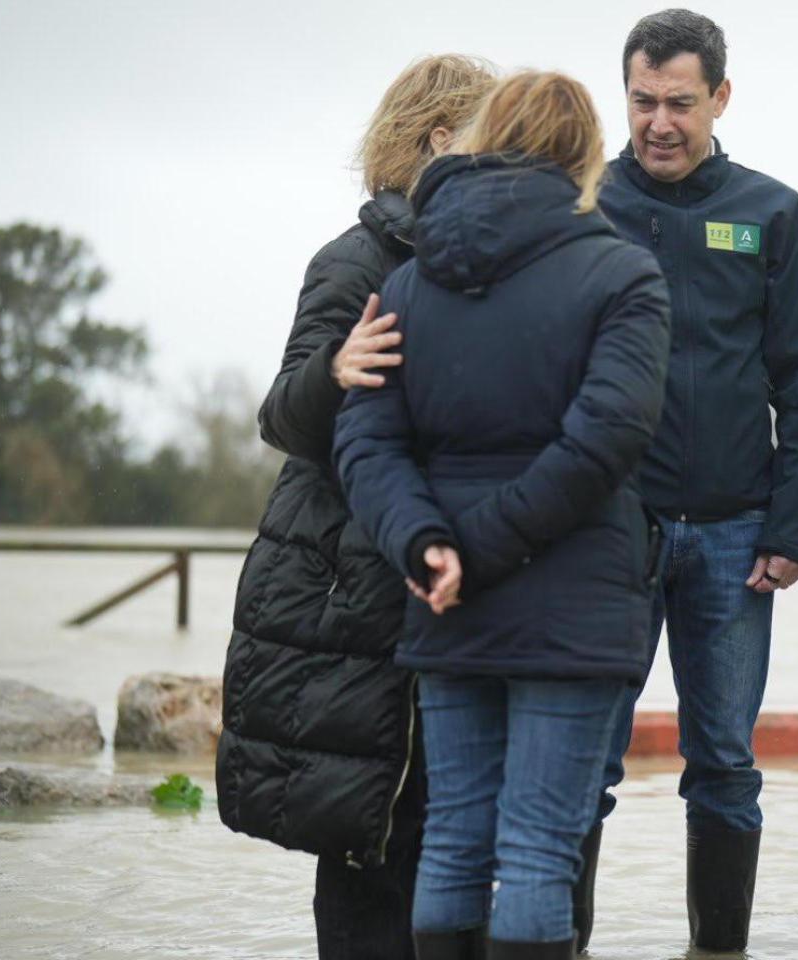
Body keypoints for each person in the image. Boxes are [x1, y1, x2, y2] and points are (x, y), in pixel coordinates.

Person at [334, 71, 671, 960]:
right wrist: (472, 551)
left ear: (487, 137)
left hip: (446, 601)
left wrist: (429, 545)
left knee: (452, 839)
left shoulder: (407, 282)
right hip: (570, 602)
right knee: (536, 853)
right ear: (585, 158)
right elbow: (606, 441)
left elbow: (366, 442)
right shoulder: (623, 274)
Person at [216, 54, 495, 960]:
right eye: (493, 138)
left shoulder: (473, 263)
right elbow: (280, 413)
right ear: (440, 140)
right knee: (365, 822)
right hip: (343, 578)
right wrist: (335, 372)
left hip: (416, 572)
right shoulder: (354, 259)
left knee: (425, 815)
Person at [588, 8, 798, 953]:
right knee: (587, 761)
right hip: (611, 533)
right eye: (645, 102)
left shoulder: (771, 212)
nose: (660, 122)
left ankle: (718, 948)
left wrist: (790, 529)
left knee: (726, 761)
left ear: (720, 98)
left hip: (737, 533)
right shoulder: (586, 205)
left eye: (680, 104)